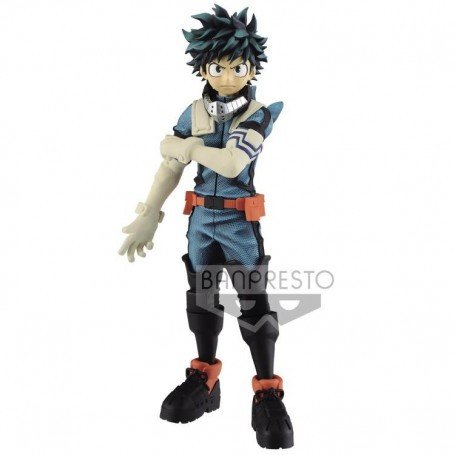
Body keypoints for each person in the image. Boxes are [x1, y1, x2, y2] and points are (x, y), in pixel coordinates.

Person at [119, 5, 294, 449]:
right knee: (201, 301)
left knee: (254, 307)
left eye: (238, 67)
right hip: (199, 221)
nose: (229, 77)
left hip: (238, 222)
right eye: (218, 67)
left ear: (253, 68)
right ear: (202, 68)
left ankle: (267, 390)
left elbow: (232, 162)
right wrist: (149, 213)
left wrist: (188, 147)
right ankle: (204, 378)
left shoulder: (258, 113)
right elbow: (168, 167)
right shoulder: (194, 111)